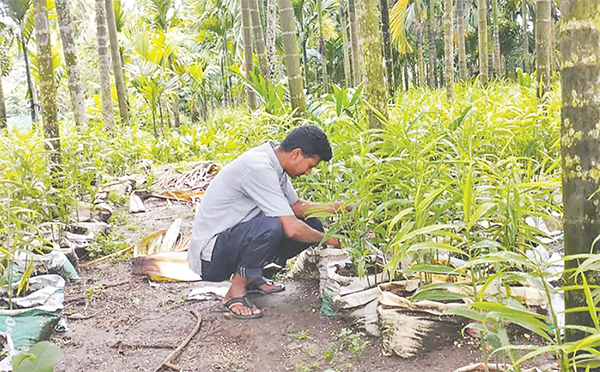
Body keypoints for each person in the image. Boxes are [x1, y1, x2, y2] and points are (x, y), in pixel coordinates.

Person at [187, 125, 350, 319]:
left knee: (311, 224)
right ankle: (235, 293)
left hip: (231, 240)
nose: (308, 173)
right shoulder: (259, 167)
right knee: (272, 227)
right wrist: (330, 239)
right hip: (211, 256)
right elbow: (291, 229)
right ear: (296, 154)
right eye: (310, 166)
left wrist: (340, 207)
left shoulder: (275, 164)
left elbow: (296, 207)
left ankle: (252, 277)